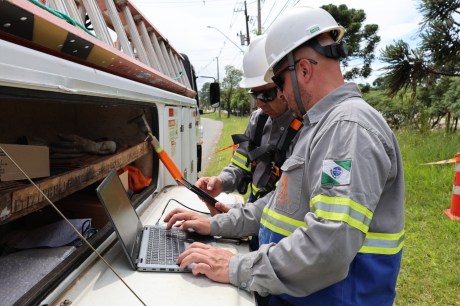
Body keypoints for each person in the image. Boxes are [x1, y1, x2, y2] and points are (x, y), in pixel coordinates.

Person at [165, 6, 405, 306]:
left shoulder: (348, 129)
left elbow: (329, 245)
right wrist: (214, 225)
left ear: (304, 69)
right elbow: (279, 203)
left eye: (279, 83)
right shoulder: (320, 126)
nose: (281, 95)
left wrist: (236, 266)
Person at [196, 34, 301, 211]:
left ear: (284, 86)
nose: (259, 103)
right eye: (254, 95)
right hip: (255, 206)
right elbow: (240, 164)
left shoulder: (304, 127)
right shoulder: (258, 121)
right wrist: (221, 182)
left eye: (266, 95)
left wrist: (241, 219)